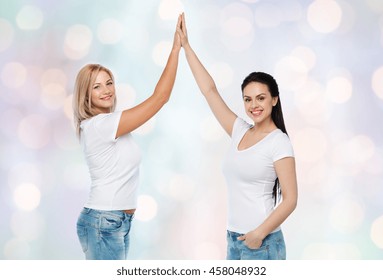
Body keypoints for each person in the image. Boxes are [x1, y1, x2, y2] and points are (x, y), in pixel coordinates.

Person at [177, 13, 297, 260]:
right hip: (234, 239)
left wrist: (258, 234)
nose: (254, 105)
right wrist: (186, 47)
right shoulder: (240, 130)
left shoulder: (279, 142)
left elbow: (291, 199)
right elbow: (209, 91)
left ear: (274, 100)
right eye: (248, 99)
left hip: (262, 243)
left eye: (261, 98)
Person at [72, 15, 182, 260]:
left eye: (109, 83)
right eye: (97, 86)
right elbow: (160, 98)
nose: (106, 90)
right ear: (85, 95)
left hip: (115, 220)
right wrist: (175, 49)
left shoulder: (109, 125)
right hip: (104, 222)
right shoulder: (101, 125)